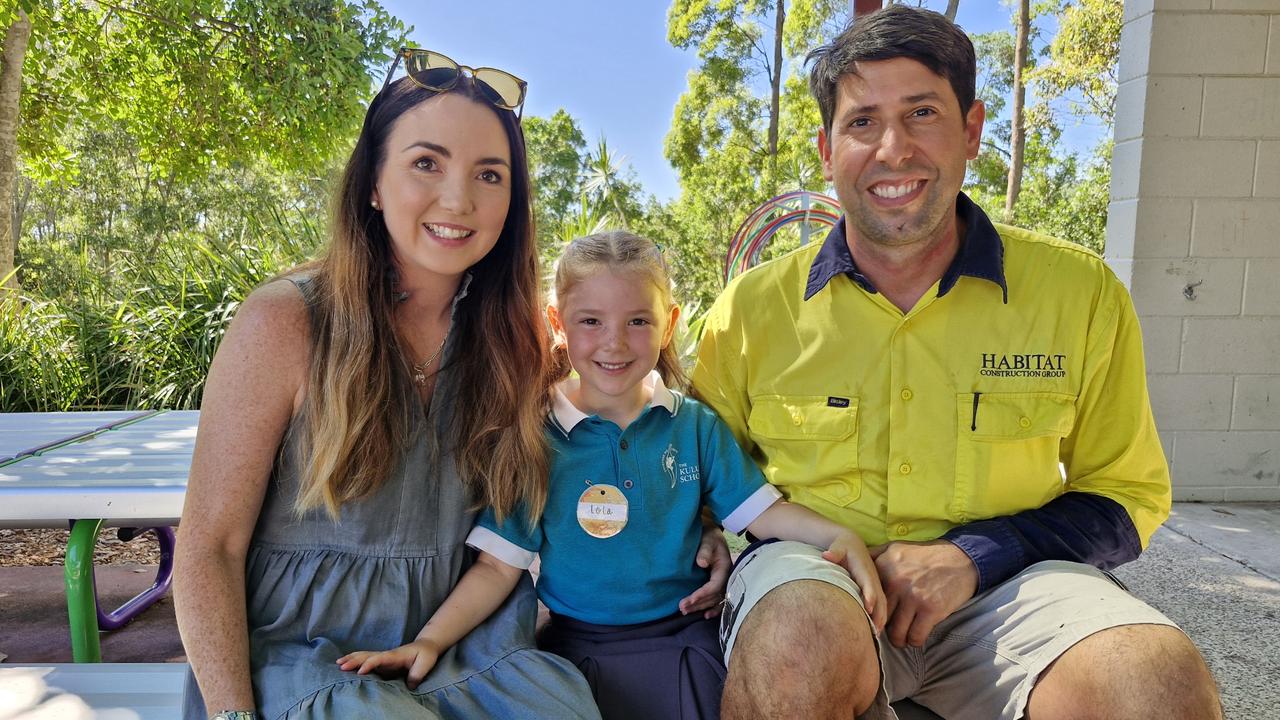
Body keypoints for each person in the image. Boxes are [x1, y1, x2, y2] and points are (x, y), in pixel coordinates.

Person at [692, 7, 1224, 720]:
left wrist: (974, 556)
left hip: (1013, 587)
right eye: (861, 123)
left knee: (1156, 683)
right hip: (812, 576)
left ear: (972, 130)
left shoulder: (1081, 293)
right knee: (796, 644)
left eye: (921, 113)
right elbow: (689, 473)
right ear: (825, 149)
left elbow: (1128, 498)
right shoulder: (751, 309)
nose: (892, 149)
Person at [173, 49, 607, 719]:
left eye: (489, 175)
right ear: (373, 182)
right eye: (426, 163)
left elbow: (610, 449)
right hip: (290, 655)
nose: (459, 200)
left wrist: (686, 522)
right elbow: (209, 547)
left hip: (453, 645)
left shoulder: (519, 346)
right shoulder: (286, 322)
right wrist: (233, 714)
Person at [336, 230, 887, 720]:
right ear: (558, 323)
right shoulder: (537, 436)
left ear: (669, 323)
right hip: (578, 657)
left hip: (688, 646)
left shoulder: (693, 426)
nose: (614, 343)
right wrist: (429, 642)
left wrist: (838, 537)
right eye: (591, 321)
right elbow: (496, 569)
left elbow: (761, 513)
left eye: (638, 321)